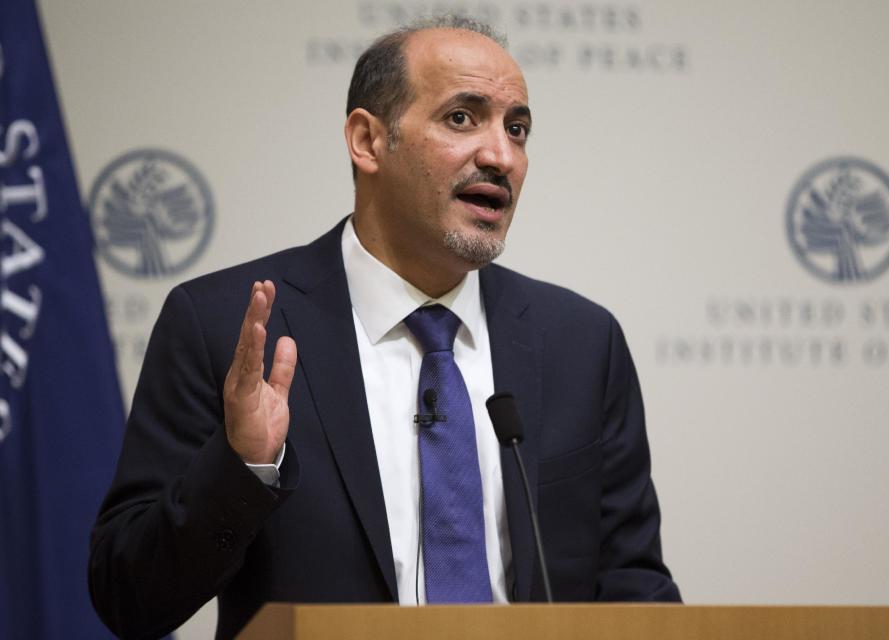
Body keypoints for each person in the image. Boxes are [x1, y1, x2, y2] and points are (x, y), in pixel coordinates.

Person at [89, 15, 681, 640]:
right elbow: (129, 598)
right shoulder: (224, 326)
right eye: (461, 118)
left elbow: (634, 588)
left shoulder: (581, 343)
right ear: (368, 141)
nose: (500, 155)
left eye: (517, 129)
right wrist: (243, 470)